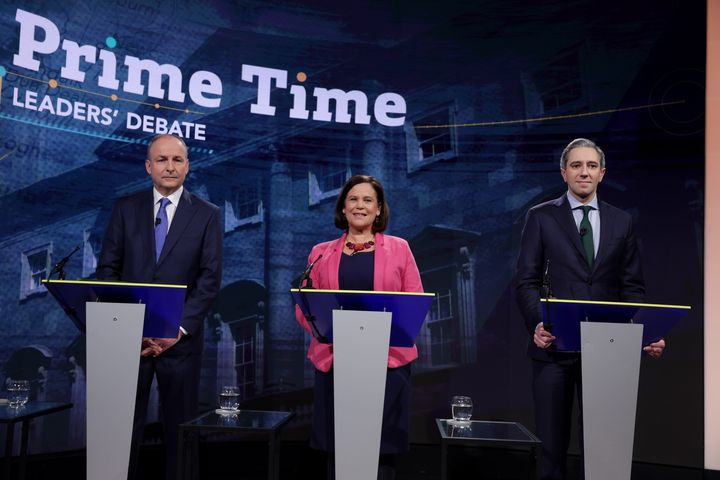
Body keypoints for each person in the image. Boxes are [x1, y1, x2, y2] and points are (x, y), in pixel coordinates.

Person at [515, 138, 665, 480]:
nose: (585, 172)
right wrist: (537, 322)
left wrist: (643, 332)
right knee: (551, 449)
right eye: (577, 165)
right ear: (564, 173)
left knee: (604, 449)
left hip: (607, 349)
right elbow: (526, 280)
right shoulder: (540, 217)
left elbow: (632, 287)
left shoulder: (621, 221)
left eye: (592, 166)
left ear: (602, 173)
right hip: (553, 349)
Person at [96, 133, 222, 480]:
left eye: (177, 160)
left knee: (181, 432)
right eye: (162, 160)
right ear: (149, 166)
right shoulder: (125, 209)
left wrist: (176, 330)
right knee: (117, 433)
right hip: (128, 342)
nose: (170, 167)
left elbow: (209, 279)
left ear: (188, 166)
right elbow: (107, 270)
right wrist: (126, 325)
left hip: (180, 344)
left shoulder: (208, 214)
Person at [295, 174, 423, 480]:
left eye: (368, 200)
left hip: (387, 362)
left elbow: (414, 301)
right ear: (343, 208)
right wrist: (324, 330)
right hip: (336, 362)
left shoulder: (400, 248)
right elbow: (305, 306)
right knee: (338, 451)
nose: (360, 205)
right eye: (353, 199)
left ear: (379, 209)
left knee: (380, 453)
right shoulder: (320, 253)